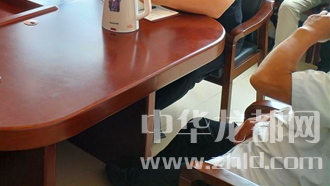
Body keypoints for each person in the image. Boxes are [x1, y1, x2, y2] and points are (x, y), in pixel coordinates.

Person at [105, 11, 330, 186]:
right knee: (198, 128)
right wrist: (271, 119)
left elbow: (265, 79)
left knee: (190, 171)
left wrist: (309, 30)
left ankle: (136, 180)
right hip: (279, 141)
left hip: (258, 172)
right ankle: (145, 172)